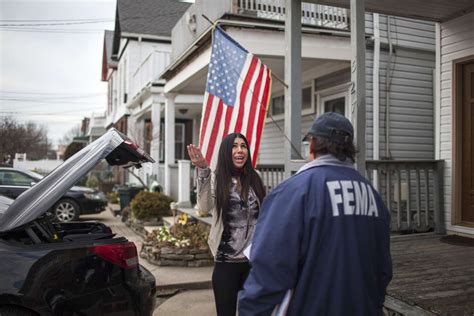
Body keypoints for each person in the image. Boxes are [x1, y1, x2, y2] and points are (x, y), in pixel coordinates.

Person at [239, 112, 393, 315]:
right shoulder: (373, 196)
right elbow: (383, 270)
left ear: (312, 145)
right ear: (349, 150)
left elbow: (269, 269)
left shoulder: (293, 192)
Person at [187, 133, 266, 316]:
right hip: (226, 262)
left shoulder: (256, 178)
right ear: (226, 152)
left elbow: (265, 212)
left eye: (243, 146)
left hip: (253, 262)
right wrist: (203, 170)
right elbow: (204, 207)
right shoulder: (216, 179)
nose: (240, 150)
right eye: (235, 146)